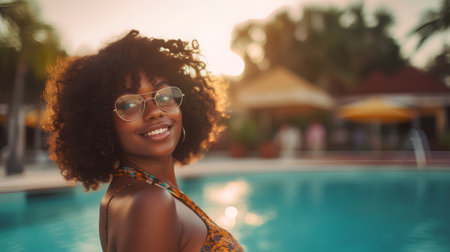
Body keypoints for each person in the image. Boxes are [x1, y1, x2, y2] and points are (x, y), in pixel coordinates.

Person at [43, 30, 243, 252]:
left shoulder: (131, 193)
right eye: (129, 104)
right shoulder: (151, 202)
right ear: (102, 122)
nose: (155, 111)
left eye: (164, 96)